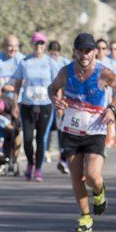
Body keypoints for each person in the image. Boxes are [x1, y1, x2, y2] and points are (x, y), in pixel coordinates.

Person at [48, 32, 116, 232]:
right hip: (70, 130)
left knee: (91, 175)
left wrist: (112, 108)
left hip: (95, 130)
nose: (84, 54)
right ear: (74, 52)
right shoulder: (66, 72)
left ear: (95, 53)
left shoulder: (102, 73)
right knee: (76, 176)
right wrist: (55, 99)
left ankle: (99, 192)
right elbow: (52, 88)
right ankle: (85, 217)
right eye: (80, 50)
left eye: (88, 50)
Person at [12, 31, 60, 182]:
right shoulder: (25, 62)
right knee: (26, 139)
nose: (39, 46)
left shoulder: (50, 63)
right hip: (27, 104)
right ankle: (30, 164)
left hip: (45, 105)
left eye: (42, 43)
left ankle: (38, 169)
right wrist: (14, 103)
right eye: (36, 43)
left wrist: (58, 103)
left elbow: (57, 85)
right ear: (32, 44)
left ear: (45, 45)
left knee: (41, 139)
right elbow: (17, 85)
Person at [47, 40, 70, 174]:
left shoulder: (64, 63)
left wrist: (61, 102)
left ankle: (62, 154)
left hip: (62, 100)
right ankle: (48, 151)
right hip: (47, 98)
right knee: (49, 128)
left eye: (56, 52)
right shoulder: (46, 61)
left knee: (62, 127)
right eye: (52, 52)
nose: (54, 55)